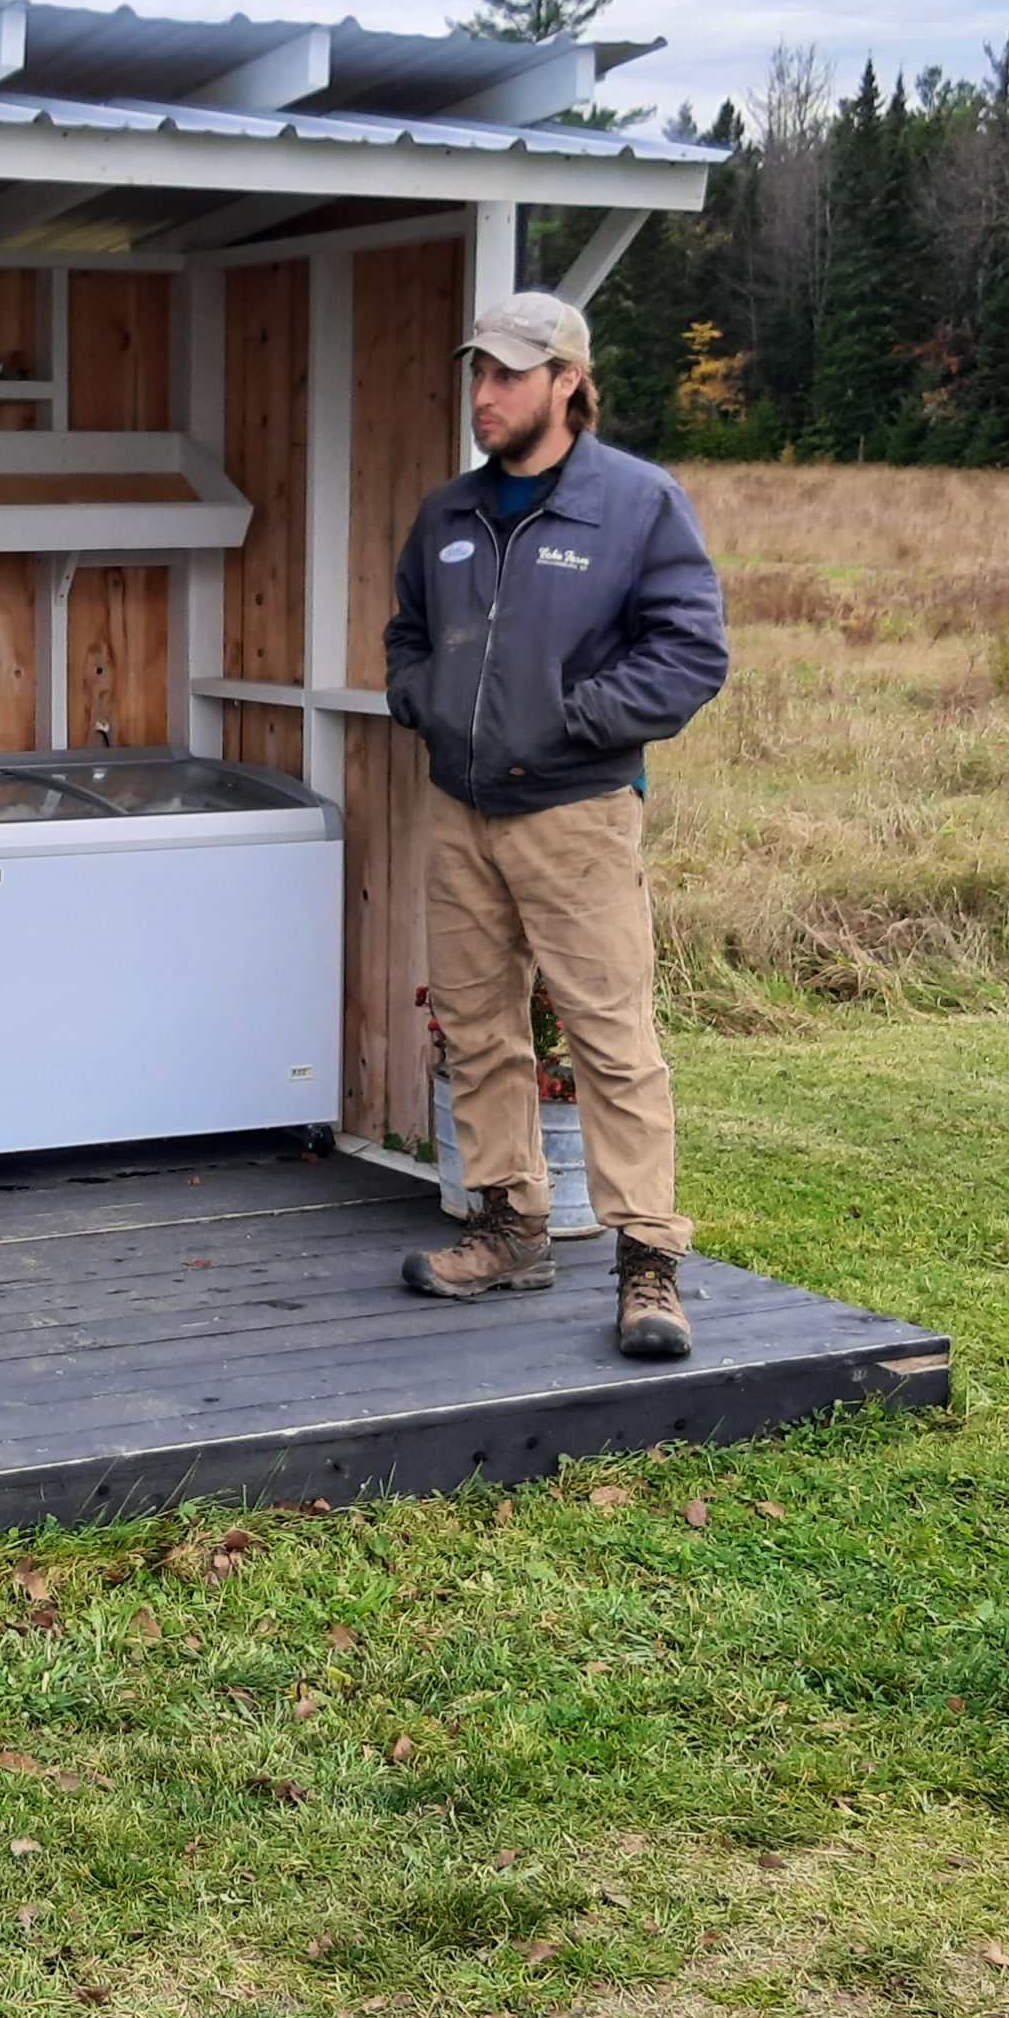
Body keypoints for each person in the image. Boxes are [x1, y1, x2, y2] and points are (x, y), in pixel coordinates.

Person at [381, 290, 729, 1358]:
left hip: (575, 815)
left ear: (567, 380)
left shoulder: (639, 504)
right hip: (459, 808)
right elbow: (405, 638)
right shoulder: (447, 514)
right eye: (476, 372)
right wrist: (426, 704)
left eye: (507, 375)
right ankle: (508, 1227)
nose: (482, 395)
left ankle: (647, 1263)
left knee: (611, 1038)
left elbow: (688, 654)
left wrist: (573, 723)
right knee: (476, 1028)